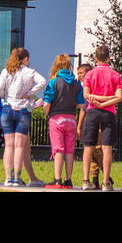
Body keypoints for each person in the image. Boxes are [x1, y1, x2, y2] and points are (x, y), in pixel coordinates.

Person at [0, 47, 47, 188]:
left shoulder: (6, 71)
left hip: (8, 108)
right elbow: (42, 82)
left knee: (9, 145)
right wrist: (30, 93)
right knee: (19, 146)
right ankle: (17, 178)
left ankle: (8, 177)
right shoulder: (30, 72)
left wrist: (5, 96)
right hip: (23, 109)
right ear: (25, 59)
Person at [82, 44, 122, 191]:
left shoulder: (89, 74)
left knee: (88, 146)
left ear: (95, 58)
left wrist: (97, 100)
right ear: (109, 58)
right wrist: (107, 100)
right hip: (109, 112)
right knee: (107, 147)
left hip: (92, 110)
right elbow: (119, 97)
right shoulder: (116, 75)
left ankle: (86, 180)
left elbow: (86, 95)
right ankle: (106, 182)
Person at [42, 54, 85, 189]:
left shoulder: (53, 82)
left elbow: (46, 103)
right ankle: (68, 181)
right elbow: (81, 104)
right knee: (69, 150)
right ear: (68, 66)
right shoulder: (76, 83)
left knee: (58, 149)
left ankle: (57, 180)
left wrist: (46, 113)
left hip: (56, 119)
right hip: (71, 119)